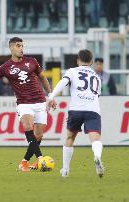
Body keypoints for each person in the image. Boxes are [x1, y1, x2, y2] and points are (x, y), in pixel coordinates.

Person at [0, 37, 56, 172]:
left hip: (40, 101)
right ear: (11, 48)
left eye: (22, 46)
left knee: (38, 136)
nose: (21, 48)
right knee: (27, 126)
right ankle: (40, 159)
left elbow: (43, 77)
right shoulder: (5, 67)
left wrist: (51, 96)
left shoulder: (32, 61)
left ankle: (24, 162)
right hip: (24, 103)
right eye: (18, 46)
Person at [46, 49, 104, 178]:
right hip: (92, 110)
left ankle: (65, 170)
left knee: (70, 138)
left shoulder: (72, 71)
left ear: (78, 60)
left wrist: (51, 96)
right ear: (92, 61)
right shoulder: (96, 77)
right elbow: (97, 95)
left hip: (76, 109)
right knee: (95, 139)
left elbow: (63, 83)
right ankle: (97, 156)